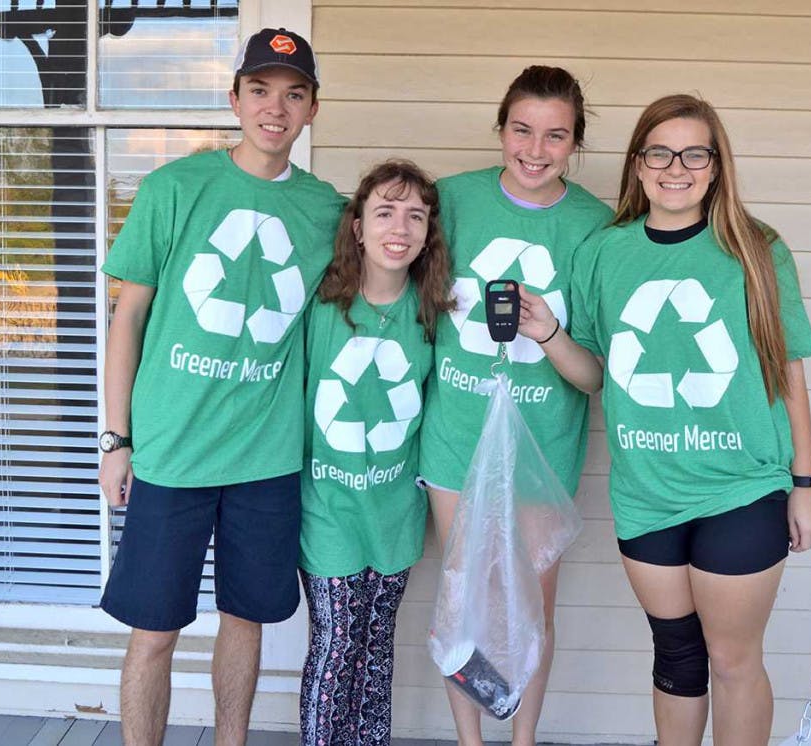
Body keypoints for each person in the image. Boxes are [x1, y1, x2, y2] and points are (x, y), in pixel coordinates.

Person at [518, 93, 811, 746]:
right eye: (659, 151)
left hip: (740, 487)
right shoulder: (604, 254)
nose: (675, 166)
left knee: (734, 659)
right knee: (677, 656)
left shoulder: (757, 251)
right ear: (637, 164)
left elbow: (788, 370)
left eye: (694, 153)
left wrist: (805, 484)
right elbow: (598, 374)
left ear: (717, 167)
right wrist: (547, 334)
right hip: (645, 493)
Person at [97, 28, 345, 746]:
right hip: (172, 454)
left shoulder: (326, 211)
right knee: (154, 632)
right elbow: (128, 317)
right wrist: (117, 440)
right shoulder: (174, 188)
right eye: (261, 91)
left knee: (246, 620)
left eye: (294, 94)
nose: (276, 108)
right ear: (234, 99)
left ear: (312, 110)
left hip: (267, 459)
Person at [418, 65, 613, 745]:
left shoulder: (595, 226)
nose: (536, 149)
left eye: (556, 135)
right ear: (501, 129)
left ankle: (520, 740)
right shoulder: (449, 201)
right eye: (522, 130)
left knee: (531, 607)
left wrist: (548, 332)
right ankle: (472, 741)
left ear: (575, 142)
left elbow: (592, 377)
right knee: (466, 601)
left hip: (541, 450)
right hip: (456, 438)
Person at [298, 159, 454, 746]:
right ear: (357, 226)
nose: (400, 227)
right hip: (328, 509)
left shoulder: (432, 313)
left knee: (374, 650)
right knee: (336, 648)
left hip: (394, 514)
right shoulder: (321, 306)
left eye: (415, 215)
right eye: (385, 212)